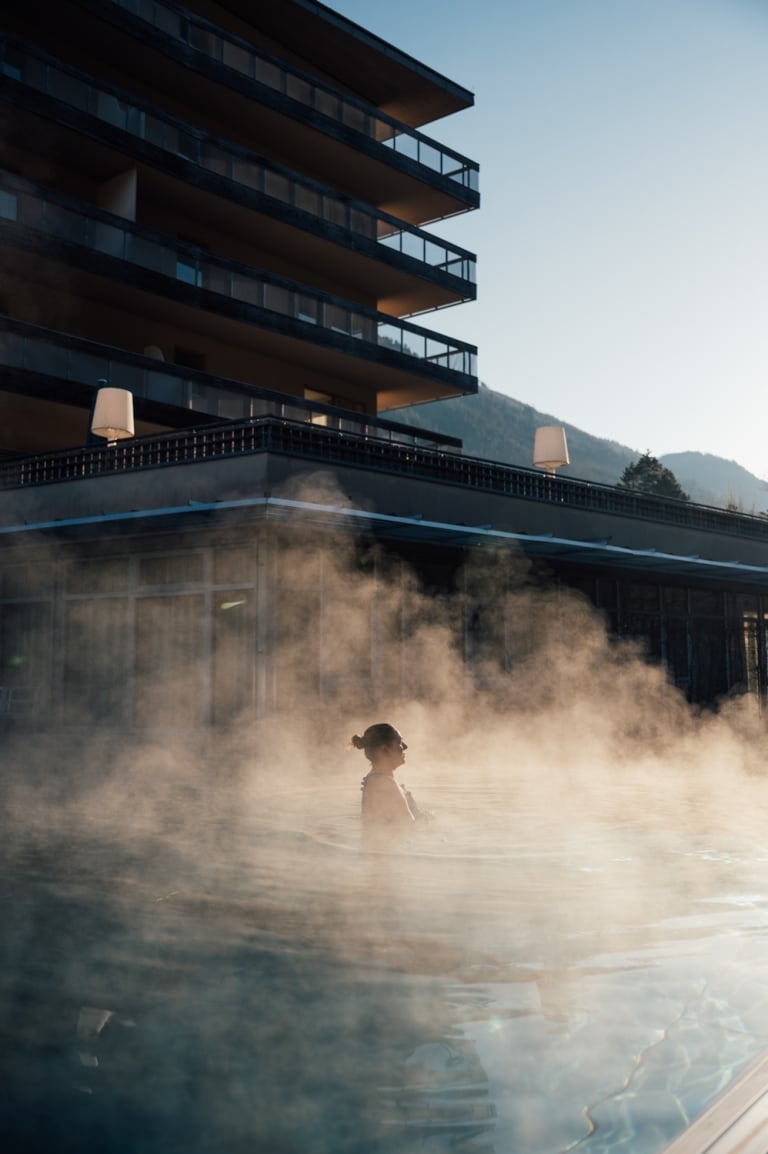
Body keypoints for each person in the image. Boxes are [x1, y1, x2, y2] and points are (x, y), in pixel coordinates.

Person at [352, 723, 429, 844]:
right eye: (399, 742)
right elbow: (410, 829)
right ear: (385, 750)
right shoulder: (384, 783)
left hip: (381, 850)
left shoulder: (375, 780)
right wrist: (414, 809)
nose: (405, 746)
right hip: (389, 853)